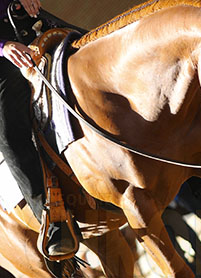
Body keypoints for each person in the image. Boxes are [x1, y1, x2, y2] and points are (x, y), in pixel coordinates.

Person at [0, 0, 76, 255]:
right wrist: (3, 46)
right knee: (10, 136)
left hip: (26, 20)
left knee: (93, 45)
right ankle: (54, 218)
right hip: (3, 57)